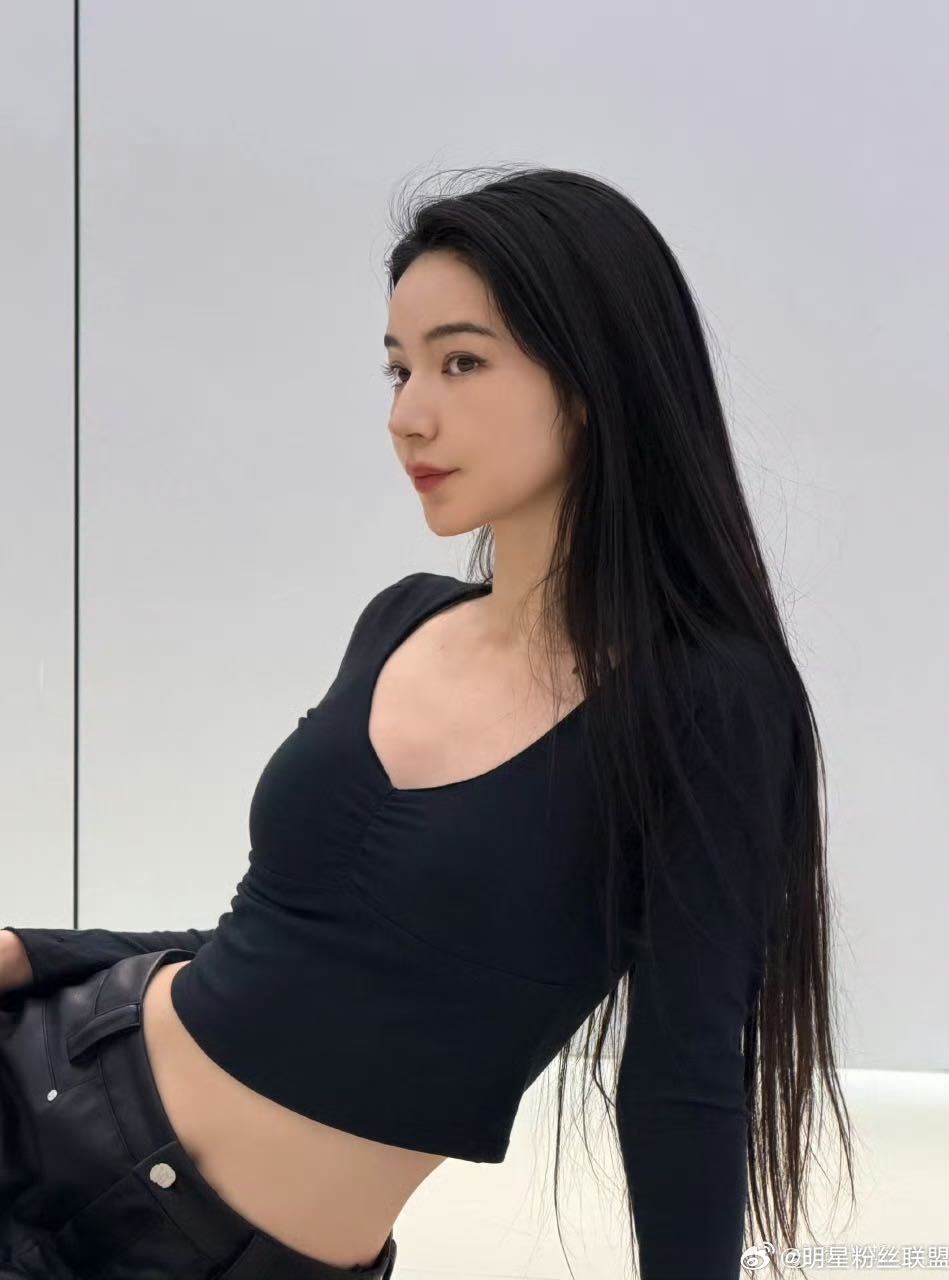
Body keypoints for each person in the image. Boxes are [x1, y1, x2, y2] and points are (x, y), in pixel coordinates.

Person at [0, 165, 856, 1280]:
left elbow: (683, 1079)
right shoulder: (402, 618)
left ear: (597, 376)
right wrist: (36, 952)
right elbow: (283, 941)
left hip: (199, 1254)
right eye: (399, 368)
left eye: (461, 361)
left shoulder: (712, 700)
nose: (407, 414)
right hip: (47, 1069)